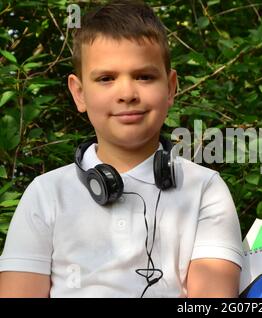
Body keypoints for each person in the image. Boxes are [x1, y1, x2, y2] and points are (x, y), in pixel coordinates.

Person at [0, 0, 243, 298]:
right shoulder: (46, 193)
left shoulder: (205, 189)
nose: (127, 94)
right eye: (106, 79)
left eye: (144, 76)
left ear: (170, 88)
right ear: (79, 93)